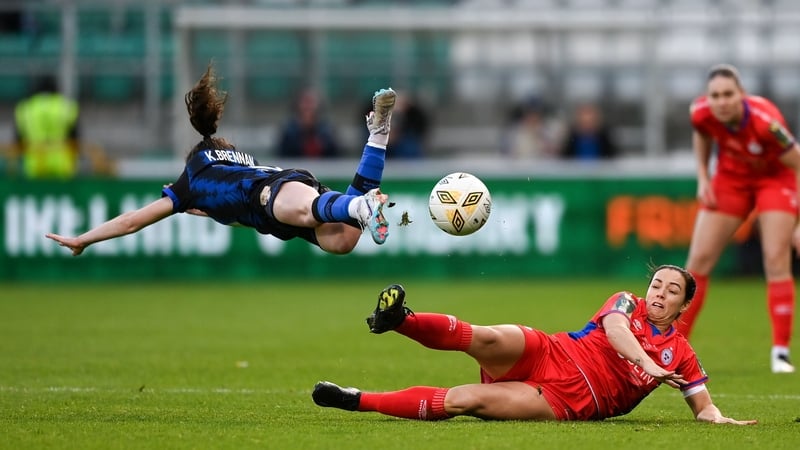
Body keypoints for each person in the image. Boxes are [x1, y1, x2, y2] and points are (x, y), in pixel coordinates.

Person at [312, 265, 756, 424]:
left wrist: (717, 419)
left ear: (684, 305)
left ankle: (355, 400)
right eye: (656, 284)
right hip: (553, 351)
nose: (658, 293)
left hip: (567, 399)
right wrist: (647, 364)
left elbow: (702, 404)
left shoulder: (681, 353)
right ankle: (398, 321)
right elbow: (617, 330)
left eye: (670, 291)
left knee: (466, 401)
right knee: (484, 337)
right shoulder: (627, 301)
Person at [45, 63, 397, 255]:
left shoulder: (191, 181)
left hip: (274, 195)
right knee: (342, 241)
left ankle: (363, 206)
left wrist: (84, 239)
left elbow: (132, 221)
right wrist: (212, 212)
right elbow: (234, 209)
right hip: (282, 194)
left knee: (322, 211)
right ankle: (378, 137)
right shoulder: (233, 160)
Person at [680, 63, 800, 374]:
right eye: (715, 95)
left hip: (775, 179)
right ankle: (674, 343)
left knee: (776, 259)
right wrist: (703, 177)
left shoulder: (765, 123)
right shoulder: (701, 113)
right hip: (731, 179)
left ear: (741, 95)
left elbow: (797, 164)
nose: (721, 101)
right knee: (699, 260)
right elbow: (703, 136)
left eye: (728, 94)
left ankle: (780, 353)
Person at [13, 75, 80, 178]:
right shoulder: (66, 106)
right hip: (61, 164)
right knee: (61, 193)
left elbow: (18, 138)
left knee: (36, 193)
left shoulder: (26, 108)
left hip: (34, 164)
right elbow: (75, 136)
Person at [276, 88, 340, 159]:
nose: (308, 106)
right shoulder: (289, 131)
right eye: (305, 102)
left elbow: (335, 156)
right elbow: (283, 156)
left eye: (311, 102)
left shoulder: (327, 130)